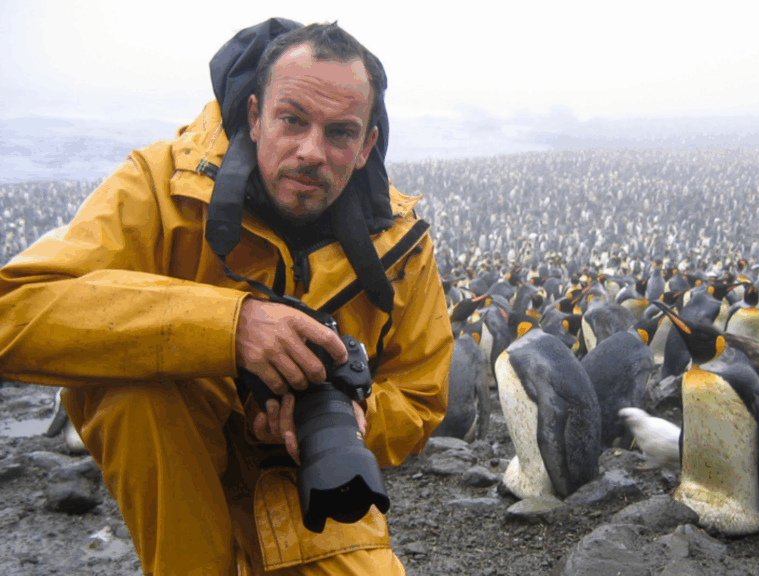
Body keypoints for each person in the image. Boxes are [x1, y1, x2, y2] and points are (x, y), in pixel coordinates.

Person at [0, 19, 453, 575]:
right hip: (181, 464)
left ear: (366, 147)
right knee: (131, 388)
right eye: (292, 119)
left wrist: (343, 415)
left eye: (340, 132)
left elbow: (421, 396)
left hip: (312, 479)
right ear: (255, 115)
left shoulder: (400, 244)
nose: (312, 151)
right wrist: (231, 328)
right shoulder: (160, 186)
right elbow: (15, 313)